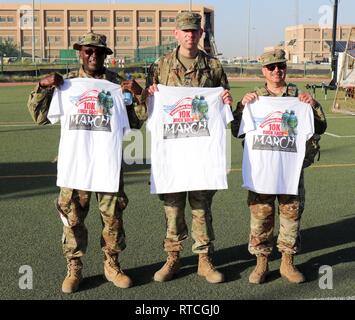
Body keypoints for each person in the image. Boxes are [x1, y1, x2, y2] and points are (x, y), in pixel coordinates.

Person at [27, 32, 146, 293]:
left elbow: (135, 123)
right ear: (79, 52)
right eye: (88, 51)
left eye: (99, 52)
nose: (93, 56)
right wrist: (42, 86)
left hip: (108, 165)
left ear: (106, 55)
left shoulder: (117, 85)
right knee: (73, 220)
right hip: (76, 166)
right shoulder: (65, 84)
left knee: (113, 219)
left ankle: (112, 265)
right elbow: (39, 117)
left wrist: (138, 95)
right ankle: (74, 268)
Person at [145, 12, 233, 284]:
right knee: (172, 207)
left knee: (201, 207)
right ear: (176, 33)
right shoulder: (160, 66)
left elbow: (225, 106)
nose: (190, 35)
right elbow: (144, 111)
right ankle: (173, 257)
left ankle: (204, 260)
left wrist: (227, 100)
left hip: (201, 156)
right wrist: (146, 97)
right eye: (185, 30)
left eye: (194, 31)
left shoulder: (214, 67)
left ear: (200, 34)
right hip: (172, 155)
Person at [231, 49, 327, 284]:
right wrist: (242, 107)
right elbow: (236, 130)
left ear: (286, 67)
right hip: (262, 169)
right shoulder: (254, 98)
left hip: (289, 169)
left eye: (281, 66)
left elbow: (320, 127)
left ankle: (287, 262)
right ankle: (261, 262)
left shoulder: (298, 97)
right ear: (263, 70)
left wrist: (312, 104)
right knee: (261, 216)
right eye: (272, 67)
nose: (277, 71)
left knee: (291, 215)